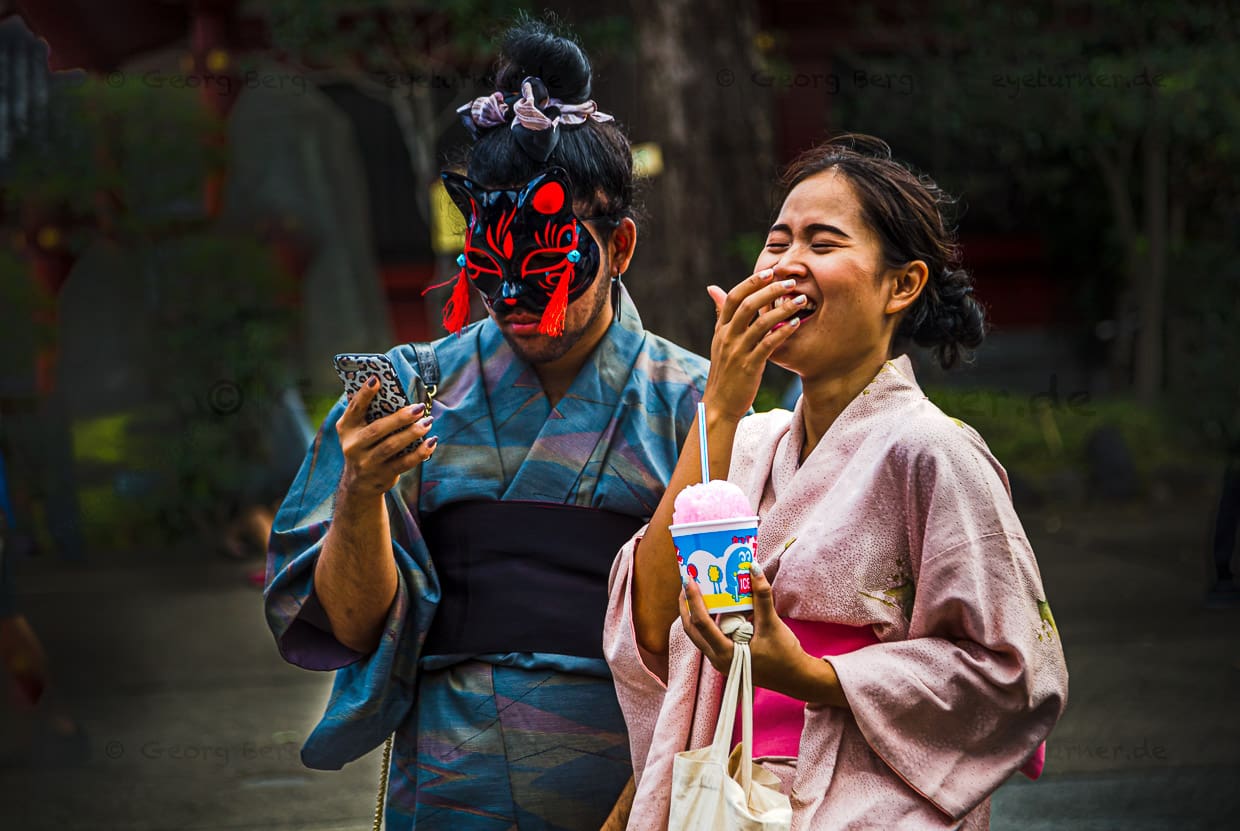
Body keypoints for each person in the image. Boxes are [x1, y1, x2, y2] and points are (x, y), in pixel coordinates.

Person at [262, 19, 709, 831]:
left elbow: (729, 633)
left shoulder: (695, 404)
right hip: (449, 784)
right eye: (492, 267)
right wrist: (362, 490)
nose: (521, 299)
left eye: (550, 265)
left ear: (623, 247)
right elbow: (351, 624)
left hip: (636, 786)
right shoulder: (403, 393)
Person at [604, 134, 1069, 830]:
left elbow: (1016, 671)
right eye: (777, 241)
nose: (787, 265)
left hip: (863, 804)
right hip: (724, 797)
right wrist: (725, 405)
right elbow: (648, 622)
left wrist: (814, 676)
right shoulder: (747, 441)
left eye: (822, 244)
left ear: (901, 284)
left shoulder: (933, 451)